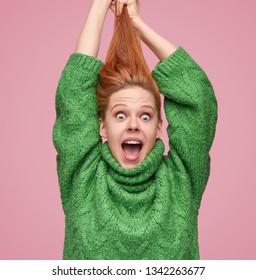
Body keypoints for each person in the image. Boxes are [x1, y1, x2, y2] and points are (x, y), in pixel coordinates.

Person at [52, 0, 218, 260]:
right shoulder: (82, 176)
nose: (133, 124)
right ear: (102, 125)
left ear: (158, 126)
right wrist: (100, 3)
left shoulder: (182, 177)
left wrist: (136, 24)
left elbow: (199, 98)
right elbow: (74, 92)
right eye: (120, 115)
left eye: (145, 115)